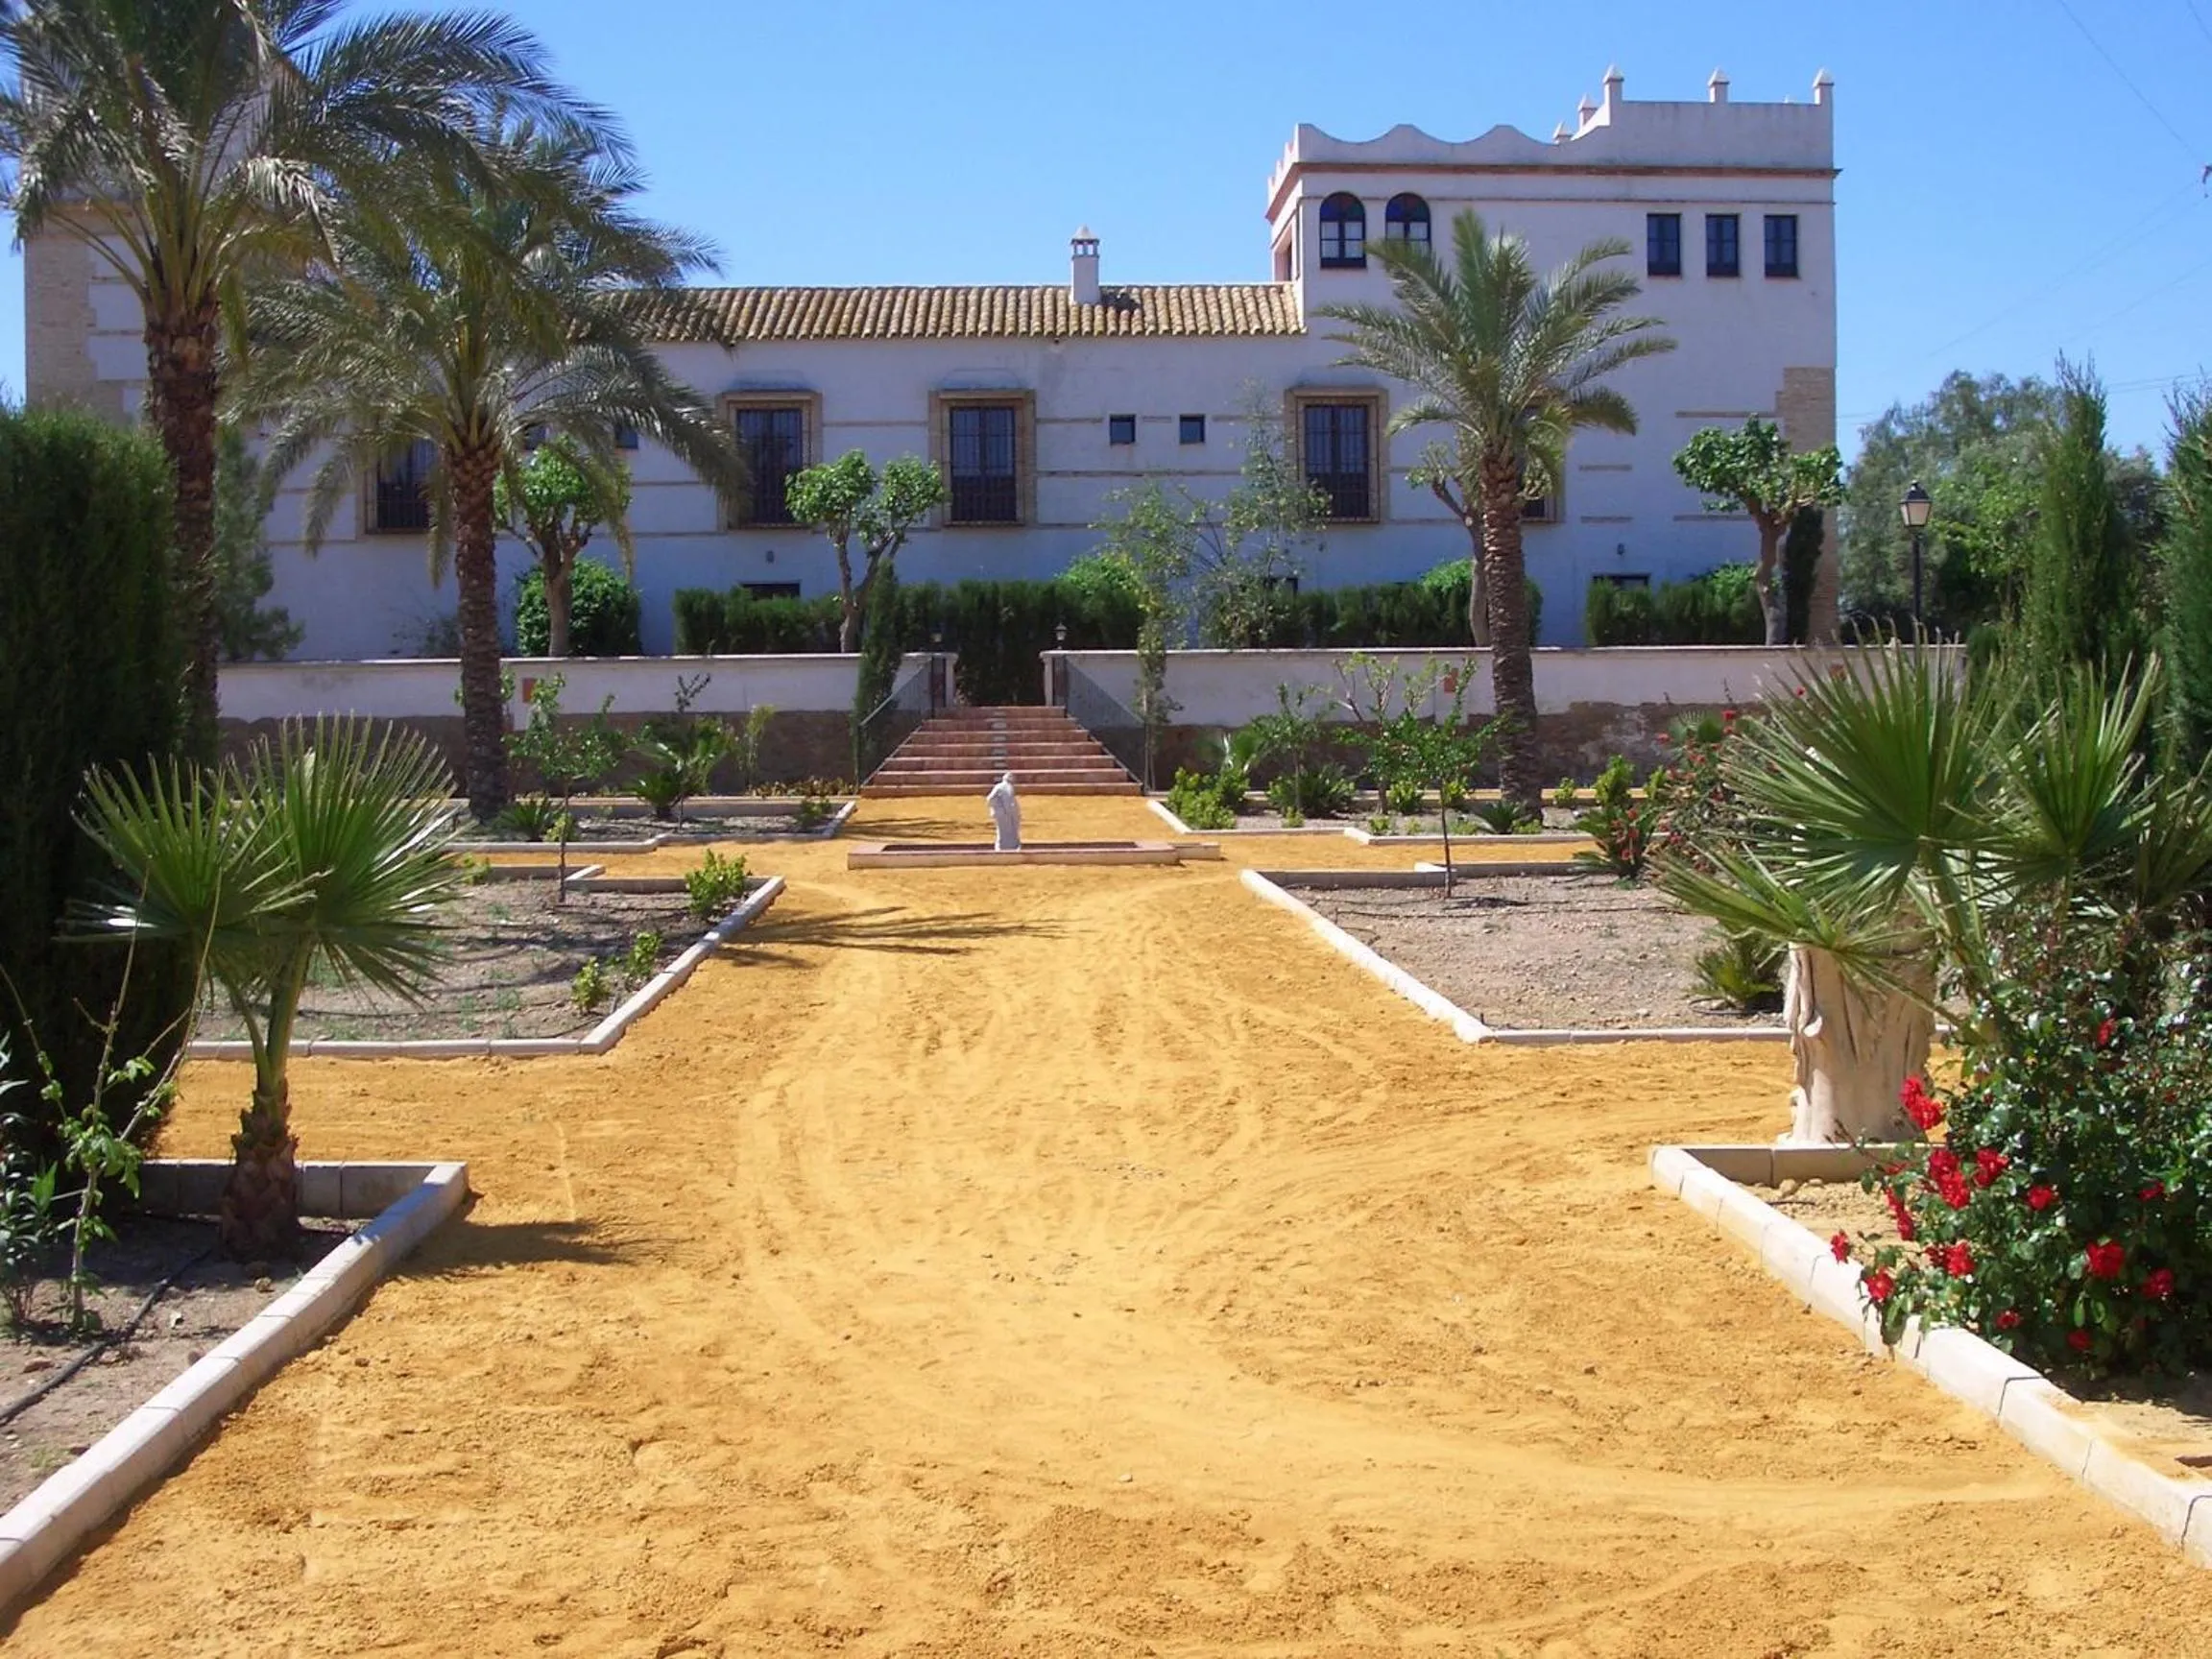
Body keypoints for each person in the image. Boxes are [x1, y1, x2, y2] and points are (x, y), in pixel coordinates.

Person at [985, 770, 1021, 852]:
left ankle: (1004, 847)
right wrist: (1010, 812)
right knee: (1007, 831)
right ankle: (1007, 848)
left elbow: (990, 799)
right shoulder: (1008, 787)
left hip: (1001, 813)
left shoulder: (998, 786)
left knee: (1002, 831)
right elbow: (1009, 802)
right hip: (1005, 813)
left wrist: (996, 808)